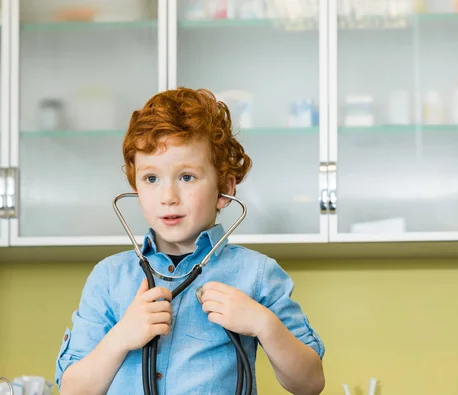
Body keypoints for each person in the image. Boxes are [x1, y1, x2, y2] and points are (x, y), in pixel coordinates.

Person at [55, 87, 325, 395]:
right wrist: (121, 337)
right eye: (151, 178)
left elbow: (310, 384)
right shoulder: (108, 278)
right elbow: (72, 390)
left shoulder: (258, 274)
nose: (168, 197)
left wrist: (264, 324)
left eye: (187, 177)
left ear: (225, 188)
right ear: (136, 187)